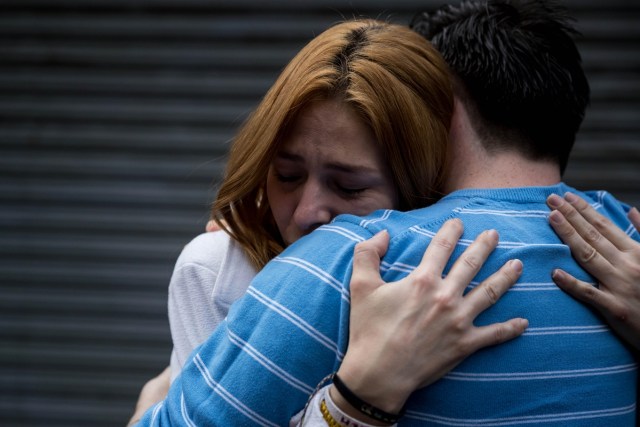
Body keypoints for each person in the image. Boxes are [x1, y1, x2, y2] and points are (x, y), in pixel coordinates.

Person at [133, 1, 639, 426]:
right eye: (286, 175)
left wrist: (352, 401)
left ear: (437, 115)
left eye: (349, 184)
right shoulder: (626, 248)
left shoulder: (348, 259)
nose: (311, 213)